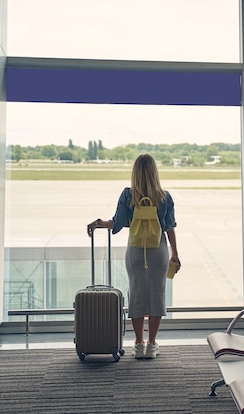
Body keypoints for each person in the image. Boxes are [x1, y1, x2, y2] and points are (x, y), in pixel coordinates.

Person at [87, 153, 180, 359]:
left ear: (135, 172)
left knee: (137, 293)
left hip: (136, 252)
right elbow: (169, 228)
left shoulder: (128, 195)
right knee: (157, 294)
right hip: (158, 252)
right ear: (155, 172)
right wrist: (175, 254)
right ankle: (152, 343)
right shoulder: (164, 197)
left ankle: (138, 343)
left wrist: (98, 223)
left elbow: (117, 223)